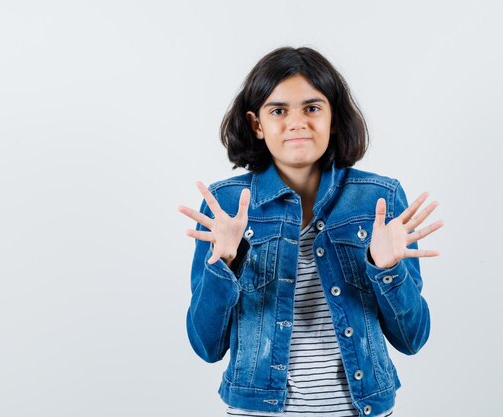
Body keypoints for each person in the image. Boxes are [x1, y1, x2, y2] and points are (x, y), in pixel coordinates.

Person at [177, 46, 444, 417]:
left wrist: (386, 270)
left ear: (333, 118)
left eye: (312, 108)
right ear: (257, 124)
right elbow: (207, 346)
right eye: (279, 110)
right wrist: (225, 263)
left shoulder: (379, 200)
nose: (297, 122)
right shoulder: (225, 205)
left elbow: (412, 339)